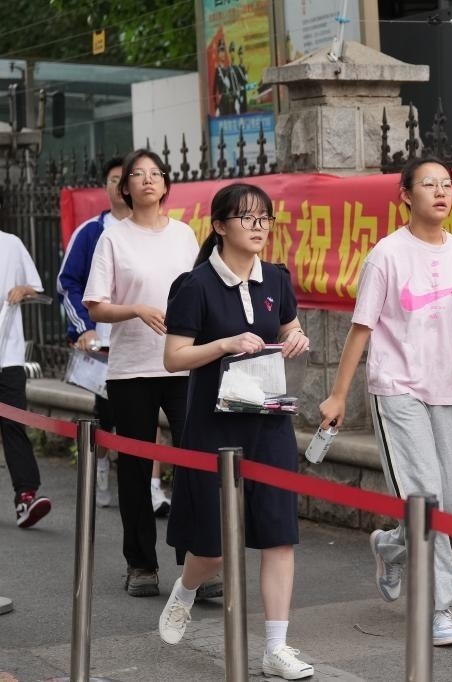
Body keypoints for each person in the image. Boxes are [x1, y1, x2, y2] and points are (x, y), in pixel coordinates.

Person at [317, 157, 452, 647]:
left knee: (448, 501)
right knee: (427, 501)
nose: (441, 192)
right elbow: (361, 329)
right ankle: (440, 608)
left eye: (447, 184)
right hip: (398, 388)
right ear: (406, 196)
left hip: (450, 389)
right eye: (429, 184)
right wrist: (338, 395)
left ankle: (392, 546)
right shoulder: (387, 255)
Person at [157, 183, 313, 680]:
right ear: (221, 225)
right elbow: (174, 357)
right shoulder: (195, 285)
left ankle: (276, 648)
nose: (259, 227)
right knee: (212, 549)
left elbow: (288, 326)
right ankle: (185, 591)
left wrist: (296, 337)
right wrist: (224, 343)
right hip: (213, 426)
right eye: (247, 218)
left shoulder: (277, 279)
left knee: (279, 535)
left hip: (270, 420)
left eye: (265, 218)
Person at [83, 149, 198, 598]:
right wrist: (136, 309)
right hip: (131, 369)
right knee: (135, 467)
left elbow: (201, 294)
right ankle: (141, 564)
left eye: (155, 173)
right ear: (125, 187)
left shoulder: (184, 235)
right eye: (137, 174)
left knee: (194, 461)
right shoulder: (113, 238)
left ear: (166, 184)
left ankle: (195, 563)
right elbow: (96, 305)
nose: (148, 180)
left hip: (183, 363)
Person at [57, 157, 173, 513]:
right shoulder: (95, 232)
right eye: (118, 179)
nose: (141, 181)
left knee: (152, 423)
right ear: (116, 187)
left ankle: (153, 488)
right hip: (107, 346)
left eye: (151, 175)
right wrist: (85, 328)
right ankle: (103, 465)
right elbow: (69, 283)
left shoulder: (173, 233)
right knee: (109, 421)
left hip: (159, 347)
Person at [0, 228, 51, 529]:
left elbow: (36, 288)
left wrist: (22, 289)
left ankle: (26, 497)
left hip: (8, 355)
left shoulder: (11, 244)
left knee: (13, 424)